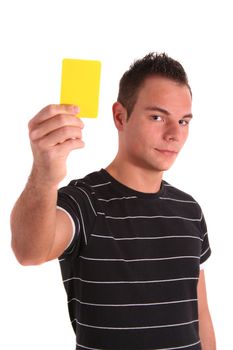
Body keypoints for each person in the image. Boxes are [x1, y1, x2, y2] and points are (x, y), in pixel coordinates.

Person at [11, 53, 216, 349]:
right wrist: (44, 175)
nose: (174, 135)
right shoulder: (85, 201)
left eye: (183, 121)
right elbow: (28, 250)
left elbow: (200, 315)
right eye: (157, 117)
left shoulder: (189, 210)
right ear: (120, 116)